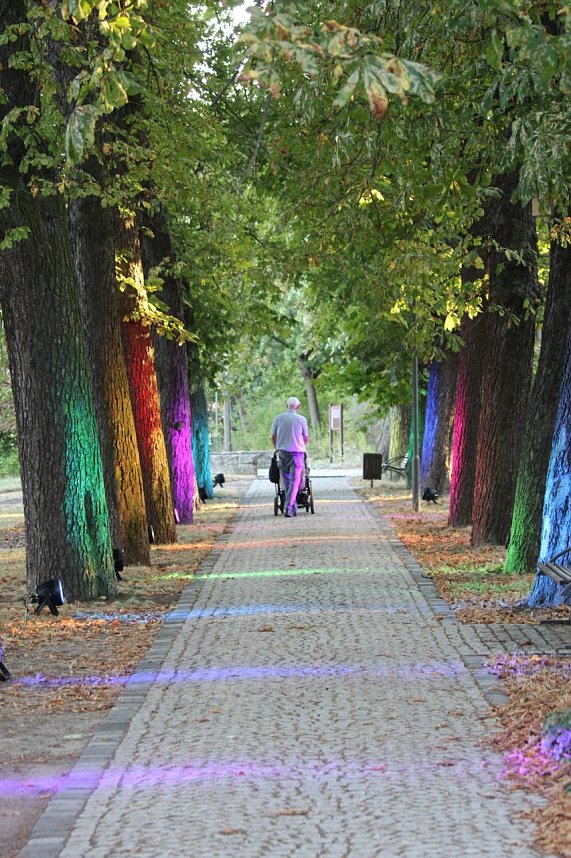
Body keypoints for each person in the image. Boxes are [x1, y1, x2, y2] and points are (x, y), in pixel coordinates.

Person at [271, 396, 309, 518]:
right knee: (295, 481)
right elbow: (305, 437)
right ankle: (288, 507)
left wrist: (277, 447)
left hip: (282, 453)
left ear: (287, 406)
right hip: (297, 453)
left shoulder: (278, 418)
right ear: (298, 406)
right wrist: (300, 445)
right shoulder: (301, 419)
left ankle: (292, 507)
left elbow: (273, 436)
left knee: (287, 480)